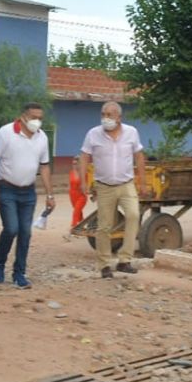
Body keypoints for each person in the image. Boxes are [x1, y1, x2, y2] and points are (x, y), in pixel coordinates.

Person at [79, 101, 146, 279]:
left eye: (109, 115)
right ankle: (104, 264)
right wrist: (83, 180)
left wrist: (143, 182)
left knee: (133, 215)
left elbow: (139, 156)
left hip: (126, 184)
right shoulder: (93, 134)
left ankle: (125, 260)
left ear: (119, 117)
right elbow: (84, 156)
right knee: (104, 226)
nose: (105, 118)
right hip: (104, 186)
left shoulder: (131, 132)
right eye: (103, 114)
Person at [0, 102, 54, 289]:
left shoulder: (42, 138)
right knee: (11, 228)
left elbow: (44, 166)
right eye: (33, 117)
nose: (37, 122)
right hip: (6, 188)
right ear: (23, 116)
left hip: (28, 191)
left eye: (40, 118)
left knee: (25, 233)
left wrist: (50, 194)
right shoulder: (5, 133)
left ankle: (19, 273)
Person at [69, 155, 86, 228]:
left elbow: (86, 186)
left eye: (76, 164)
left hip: (81, 195)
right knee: (79, 212)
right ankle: (82, 226)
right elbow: (70, 184)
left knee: (76, 211)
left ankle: (74, 226)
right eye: (73, 164)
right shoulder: (71, 172)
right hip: (72, 195)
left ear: (80, 164)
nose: (74, 165)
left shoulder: (84, 173)